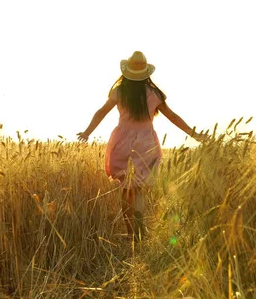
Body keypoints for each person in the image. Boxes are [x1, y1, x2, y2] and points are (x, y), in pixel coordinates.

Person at [77, 51, 206, 241]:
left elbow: (101, 112)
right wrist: (194, 134)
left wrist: (88, 131)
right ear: (146, 73)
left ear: (127, 71)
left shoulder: (120, 91)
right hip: (146, 144)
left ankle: (131, 233)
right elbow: (173, 117)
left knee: (125, 189)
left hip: (121, 141)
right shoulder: (154, 93)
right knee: (138, 190)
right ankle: (140, 229)